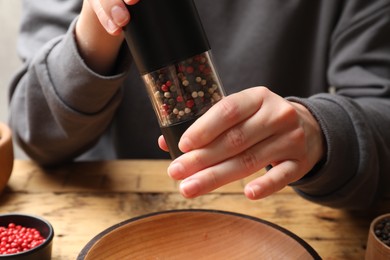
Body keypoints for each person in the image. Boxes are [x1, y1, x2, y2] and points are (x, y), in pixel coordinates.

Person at [8, 0, 390, 210]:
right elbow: (34, 132)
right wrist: (96, 26)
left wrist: (320, 130)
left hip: (281, 205)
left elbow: (381, 105)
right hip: (112, 209)